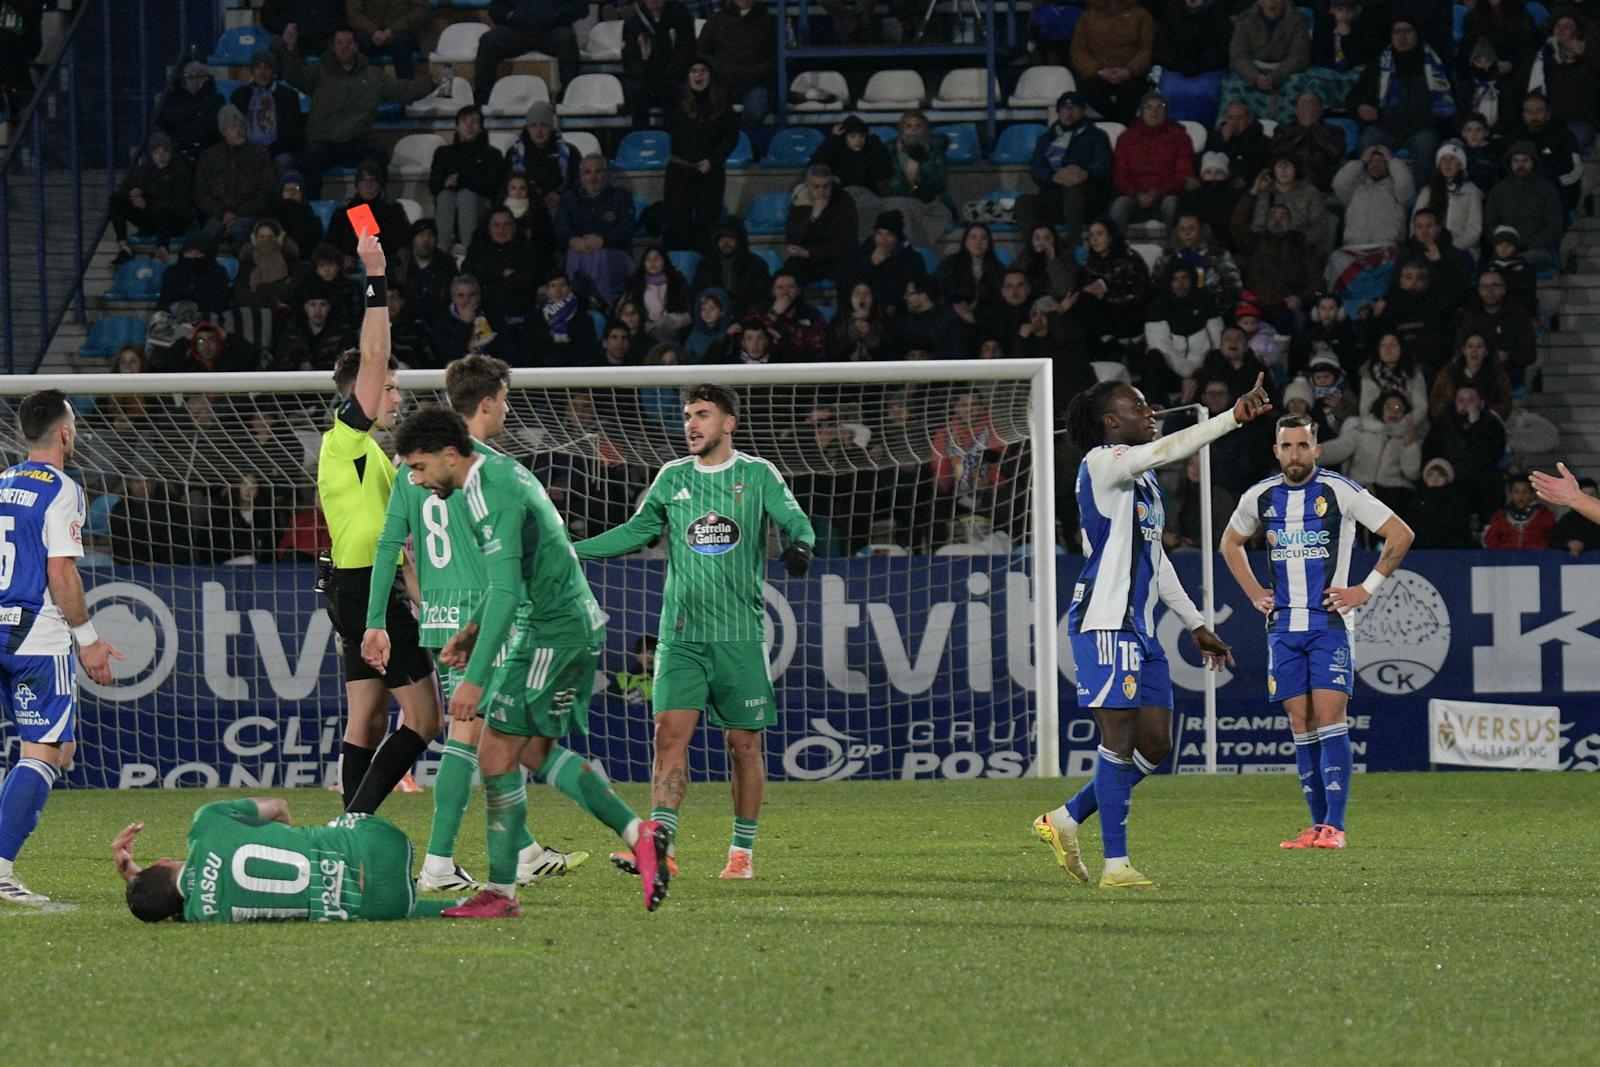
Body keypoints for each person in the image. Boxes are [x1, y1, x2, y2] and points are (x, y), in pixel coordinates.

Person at [379, 406, 670, 915]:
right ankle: (638, 834)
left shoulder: (492, 492)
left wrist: (471, 679)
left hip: (552, 632)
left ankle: (501, 892)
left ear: (450, 455)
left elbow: (509, 591)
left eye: (420, 467)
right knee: (531, 752)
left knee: (494, 753)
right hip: (562, 627)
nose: (417, 480)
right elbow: (502, 579)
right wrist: (470, 632)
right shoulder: (486, 479)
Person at [358, 356, 588, 892]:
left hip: (435, 613)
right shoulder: (475, 465)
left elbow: (390, 544)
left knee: (487, 737)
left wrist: (377, 621)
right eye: (504, 400)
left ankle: (523, 849)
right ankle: (439, 863)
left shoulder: (410, 467)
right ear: (486, 402)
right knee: (482, 737)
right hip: (482, 613)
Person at [1034, 376, 1270, 890]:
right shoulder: (1102, 463)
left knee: (1156, 744)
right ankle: (1115, 865)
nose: (1151, 411)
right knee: (1117, 742)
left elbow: (1157, 561)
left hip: (1141, 630)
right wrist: (1228, 417)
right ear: (1113, 422)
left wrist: (1197, 625)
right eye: (1138, 406)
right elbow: (1166, 447)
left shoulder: (1144, 484)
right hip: (1104, 622)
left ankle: (1066, 819)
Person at [574, 385, 817, 881]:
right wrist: (571, 547)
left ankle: (741, 853)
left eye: (703, 415)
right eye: (687, 415)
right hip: (681, 636)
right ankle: (660, 848)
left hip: (739, 637)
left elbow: (795, 521)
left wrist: (802, 547)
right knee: (668, 736)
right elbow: (636, 532)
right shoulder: (672, 477)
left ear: (728, 423)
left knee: (744, 745)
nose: (691, 424)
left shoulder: (757, 473)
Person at [1221, 413, 1415, 851]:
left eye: (1303, 446)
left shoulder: (1338, 490)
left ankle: (1336, 826)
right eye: (1287, 446)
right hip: (1283, 628)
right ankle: (1316, 826)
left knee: (1330, 719)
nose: (1295, 454)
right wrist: (1254, 592)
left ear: (1317, 449)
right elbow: (1229, 543)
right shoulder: (1261, 496)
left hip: (1329, 624)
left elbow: (1400, 534)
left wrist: (1365, 590)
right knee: (1300, 722)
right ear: (1276, 451)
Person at [317, 234, 442, 813]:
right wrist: (375, 276)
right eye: (388, 388)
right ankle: (358, 823)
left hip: (357, 584)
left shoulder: (377, 460)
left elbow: (402, 547)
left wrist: (425, 601)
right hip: (365, 588)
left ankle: (345, 832)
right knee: (425, 717)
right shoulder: (344, 440)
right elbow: (371, 358)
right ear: (357, 396)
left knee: (364, 721)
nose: (396, 395)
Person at [0, 392, 122, 905]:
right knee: (46, 751)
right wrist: (89, 642)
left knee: (58, 750)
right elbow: (61, 570)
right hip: (37, 633)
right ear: (66, 434)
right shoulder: (62, 489)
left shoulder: (3, 482)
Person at [113, 799, 458, 922]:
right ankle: (442, 866)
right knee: (343, 819)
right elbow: (278, 806)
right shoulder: (208, 821)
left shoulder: (204, 915)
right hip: (386, 846)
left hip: (384, 907)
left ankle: (461, 905)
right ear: (158, 863)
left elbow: (173, 899)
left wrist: (135, 877)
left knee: (399, 902)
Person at [281, 26, 439, 200]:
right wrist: (290, 49)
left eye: (349, 43)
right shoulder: (318, 70)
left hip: (357, 141)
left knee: (376, 156)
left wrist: (431, 82)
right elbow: (293, 76)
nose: (344, 47)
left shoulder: (372, 75)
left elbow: (403, 91)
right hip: (324, 141)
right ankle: (313, 212)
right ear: (332, 47)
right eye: (339, 43)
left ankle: (374, 207)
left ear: (356, 46)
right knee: (307, 161)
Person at [1347, 14, 1456, 165]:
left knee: (1427, 144)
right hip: (1385, 129)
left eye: (1407, 31)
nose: (1402, 36)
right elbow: (1353, 98)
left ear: (1417, 34)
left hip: (1423, 130)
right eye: (1397, 32)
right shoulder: (1378, 65)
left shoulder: (1435, 65)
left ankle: (1422, 189)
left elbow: (1452, 100)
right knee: (1367, 140)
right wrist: (1360, 107)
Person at [1017, 92, 1113, 244]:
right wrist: (1052, 177)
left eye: (1073, 108)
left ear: (1082, 110)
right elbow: (1036, 168)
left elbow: (1104, 163)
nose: (1068, 113)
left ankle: (1073, 247)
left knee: (1073, 189)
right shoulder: (1047, 138)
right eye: (1064, 108)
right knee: (1024, 202)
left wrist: (1084, 174)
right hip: (1054, 197)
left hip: (1087, 198)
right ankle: (1033, 248)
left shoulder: (1097, 136)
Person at [663, 60, 739, 252]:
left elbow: (731, 137)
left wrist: (713, 161)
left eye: (703, 71)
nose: (699, 75)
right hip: (679, 173)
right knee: (678, 226)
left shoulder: (721, 103)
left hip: (710, 174)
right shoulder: (676, 99)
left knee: (708, 227)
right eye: (694, 70)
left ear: (711, 75)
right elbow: (658, 80)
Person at [554, 154, 637, 299]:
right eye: (588, 172)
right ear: (581, 175)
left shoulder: (622, 196)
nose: (593, 178)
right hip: (579, 252)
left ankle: (600, 301)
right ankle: (573, 303)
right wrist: (571, 240)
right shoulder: (569, 197)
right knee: (574, 252)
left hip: (616, 255)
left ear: (606, 174)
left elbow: (627, 229)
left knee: (598, 255)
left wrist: (603, 240)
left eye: (598, 172)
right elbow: (560, 228)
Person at [193, 105, 277, 249]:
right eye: (233, 126)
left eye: (241, 125)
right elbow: (201, 193)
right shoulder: (209, 157)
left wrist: (237, 214)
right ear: (224, 131)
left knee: (241, 229)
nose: (238, 130)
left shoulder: (259, 155)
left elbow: (266, 192)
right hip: (220, 215)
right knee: (207, 235)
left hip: (250, 215)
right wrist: (223, 214)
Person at [1109, 90, 1193, 231]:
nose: (1154, 111)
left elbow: (1183, 174)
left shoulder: (1179, 137)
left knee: (1172, 204)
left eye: (1159, 106)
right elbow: (1119, 173)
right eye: (1149, 107)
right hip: (1134, 197)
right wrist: (1136, 194)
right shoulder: (1126, 138)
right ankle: (1116, 251)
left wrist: (1158, 192)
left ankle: (1174, 249)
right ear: (1141, 111)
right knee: (1119, 205)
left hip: (1165, 196)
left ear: (1165, 111)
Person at [474, 0, 585, 104]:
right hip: (517, 31)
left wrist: (558, 16)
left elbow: (580, 7)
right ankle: (483, 100)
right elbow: (495, 9)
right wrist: (510, 16)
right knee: (488, 40)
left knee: (567, 38)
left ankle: (569, 95)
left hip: (552, 30)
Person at [431, 104, 506, 256]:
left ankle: (469, 247)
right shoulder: (443, 153)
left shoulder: (492, 154)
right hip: (450, 202)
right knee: (445, 195)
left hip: (480, 205)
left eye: (474, 121)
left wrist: (463, 181)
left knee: (466, 195)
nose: (469, 125)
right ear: (457, 126)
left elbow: (492, 187)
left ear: (480, 127)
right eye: (465, 121)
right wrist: (446, 183)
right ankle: (442, 247)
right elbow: (433, 184)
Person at [109, 131, 193, 264]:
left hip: (176, 223)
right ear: (151, 154)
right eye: (156, 152)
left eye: (165, 151)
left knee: (164, 210)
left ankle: (162, 250)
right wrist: (133, 192)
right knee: (116, 200)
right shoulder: (144, 171)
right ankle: (124, 245)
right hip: (153, 220)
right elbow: (123, 191)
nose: (161, 156)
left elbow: (180, 204)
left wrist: (146, 204)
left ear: (171, 152)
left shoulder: (181, 171)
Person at [694, 0, 779, 131]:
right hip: (721, 81)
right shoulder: (716, 19)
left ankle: (741, 141)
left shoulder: (769, 21)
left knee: (756, 106)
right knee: (707, 106)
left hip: (755, 82)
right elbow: (701, 52)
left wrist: (756, 73)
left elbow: (776, 57)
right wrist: (718, 69)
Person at [1223, 0, 1312, 123]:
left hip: (1285, 72)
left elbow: (1299, 56)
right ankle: (1230, 131)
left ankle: (1284, 131)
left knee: (1298, 83)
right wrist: (1255, 77)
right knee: (1234, 84)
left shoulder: (1298, 21)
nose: (1272, 2)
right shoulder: (1246, 20)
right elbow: (1239, 55)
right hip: (1253, 70)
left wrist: (1276, 76)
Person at [1482, 140, 1564, 273]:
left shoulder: (1547, 189)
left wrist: (1524, 243)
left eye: (1525, 160)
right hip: (1504, 249)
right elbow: (1490, 223)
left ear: (1533, 162)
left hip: (1538, 249)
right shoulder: (1499, 190)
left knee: (1517, 262)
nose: (1520, 165)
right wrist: (1504, 243)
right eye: (1516, 161)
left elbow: (1554, 227)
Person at [1069, 0, 1156, 124]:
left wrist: (1129, 70)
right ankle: (1118, 125)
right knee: (1089, 88)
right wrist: (1098, 70)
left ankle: (1118, 128)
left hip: (1132, 75)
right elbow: (1078, 51)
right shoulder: (1087, 17)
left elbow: (1147, 49)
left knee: (1132, 91)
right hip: (1098, 75)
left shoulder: (1141, 15)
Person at [621, 0, 697, 128]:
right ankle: (641, 139)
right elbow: (630, 60)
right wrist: (645, 64)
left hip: (672, 77)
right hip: (645, 79)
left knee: (675, 90)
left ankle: (673, 141)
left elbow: (686, 52)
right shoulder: (633, 22)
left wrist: (665, 75)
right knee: (637, 92)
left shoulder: (681, 16)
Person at [231, 51, 305, 176]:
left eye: (267, 68)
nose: (262, 72)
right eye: (258, 68)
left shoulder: (288, 96)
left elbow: (293, 131)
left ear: (273, 71)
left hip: (278, 149)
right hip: (247, 148)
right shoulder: (240, 96)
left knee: (284, 162)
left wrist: (270, 149)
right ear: (252, 71)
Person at [783, 164, 858, 286]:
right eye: (816, 187)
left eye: (826, 187)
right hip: (806, 260)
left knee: (851, 269)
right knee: (791, 271)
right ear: (807, 186)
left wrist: (810, 253)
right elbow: (792, 240)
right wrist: (813, 216)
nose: (821, 191)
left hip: (835, 258)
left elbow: (847, 243)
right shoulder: (799, 200)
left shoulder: (845, 201)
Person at [156, 60, 224, 163]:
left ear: (206, 78)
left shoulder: (216, 100)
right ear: (184, 78)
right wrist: (196, 110)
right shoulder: (172, 99)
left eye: (200, 76)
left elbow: (214, 124)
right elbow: (167, 119)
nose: (195, 80)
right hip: (179, 153)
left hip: (208, 153)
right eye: (190, 76)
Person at [346, 0, 428, 80]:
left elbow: (419, 10)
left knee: (399, 43)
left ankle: (406, 87)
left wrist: (393, 29)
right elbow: (353, 11)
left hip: (403, 32)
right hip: (369, 33)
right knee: (359, 42)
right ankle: (359, 86)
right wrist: (373, 31)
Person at [1484, 471, 1555, 548]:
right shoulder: (1500, 517)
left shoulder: (1544, 516)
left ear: (1532, 494)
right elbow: (1491, 541)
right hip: (1507, 558)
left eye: (1525, 492)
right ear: (1510, 494)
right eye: (1516, 492)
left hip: (1536, 558)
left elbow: (1554, 539)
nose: (1521, 496)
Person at [1537, 469, 1600, 555]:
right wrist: (1568, 544)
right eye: (1584, 495)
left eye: (1592, 495)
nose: (1588, 499)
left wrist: (1584, 546)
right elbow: (1552, 542)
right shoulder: (1567, 521)